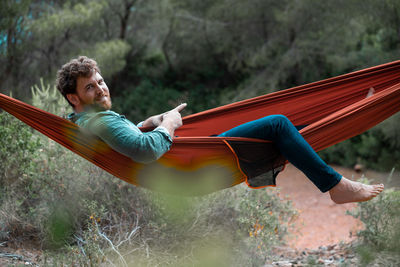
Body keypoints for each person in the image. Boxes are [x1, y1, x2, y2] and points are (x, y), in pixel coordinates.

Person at [56, 56, 384, 204]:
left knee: (286, 132)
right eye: (90, 88)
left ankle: (351, 109)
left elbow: (129, 139)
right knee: (279, 124)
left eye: (100, 81)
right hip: (191, 165)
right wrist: (168, 124)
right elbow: (144, 151)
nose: (101, 89)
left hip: (188, 161)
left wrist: (148, 123)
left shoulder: (85, 123)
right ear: (73, 98)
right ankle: (334, 185)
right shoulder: (99, 120)